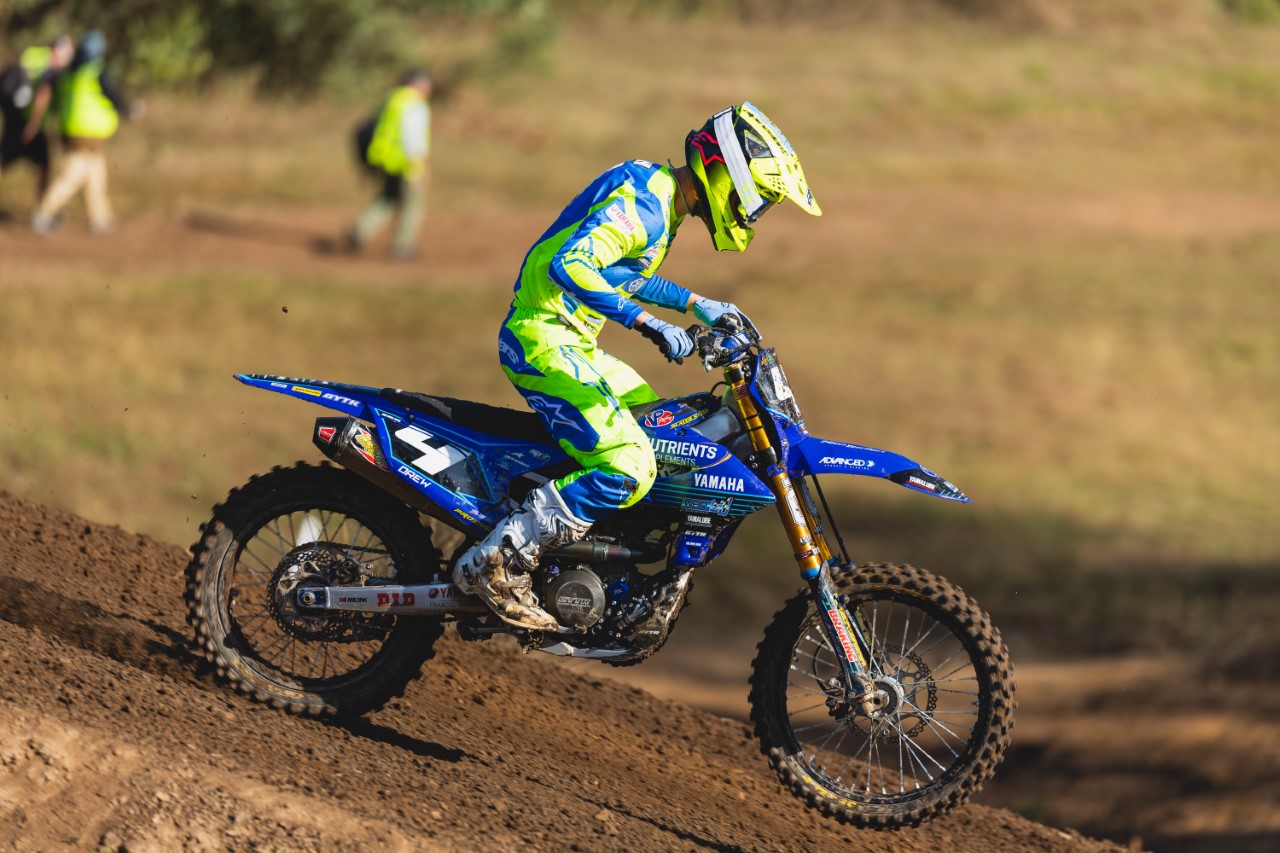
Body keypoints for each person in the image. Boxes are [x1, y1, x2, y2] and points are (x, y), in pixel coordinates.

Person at [453, 102, 822, 631]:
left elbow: (618, 272)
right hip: (543, 339)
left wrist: (695, 304)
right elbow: (571, 264)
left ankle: (591, 563)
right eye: (756, 200)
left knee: (661, 430)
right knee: (631, 465)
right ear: (728, 175)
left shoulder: (661, 197)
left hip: (572, 340)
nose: (753, 214)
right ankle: (500, 560)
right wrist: (648, 324)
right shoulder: (646, 204)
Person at [30, 30, 140, 236]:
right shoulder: (95, 71)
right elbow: (114, 95)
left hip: (73, 130)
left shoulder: (68, 72)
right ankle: (43, 213)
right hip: (87, 133)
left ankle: (101, 218)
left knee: (96, 173)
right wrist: (130, 110)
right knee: (73, 175)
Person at [346, 69, 431, 260]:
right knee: (413, 203)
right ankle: (402, 246)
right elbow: (413, 139)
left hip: (385, 159)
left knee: (388, 196)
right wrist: (417, 167)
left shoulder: (392, 100)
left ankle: (360, 231)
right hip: (405, 162)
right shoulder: (415, 104)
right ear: (417, 84)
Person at [0, 34, 74, 203]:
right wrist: (34, 124)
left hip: (14, 118)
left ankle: (43, 208)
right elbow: (43, 93)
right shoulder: (50, 68)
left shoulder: (33, 55)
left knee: (4, 159)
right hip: (29, 123)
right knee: (44, 164)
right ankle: (43, 209)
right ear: (58, 50)